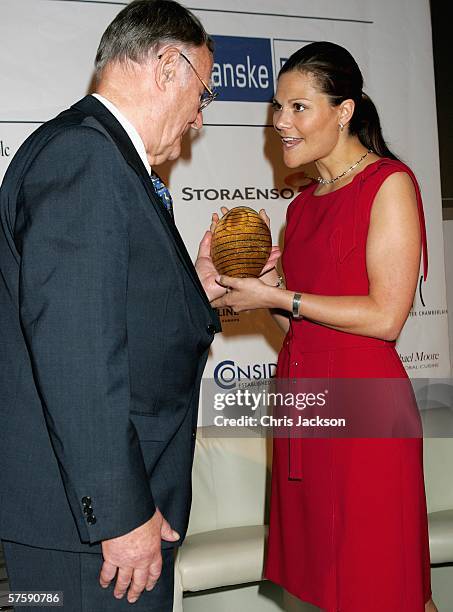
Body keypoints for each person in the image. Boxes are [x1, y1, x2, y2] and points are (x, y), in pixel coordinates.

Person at [0, 1, 231, 610]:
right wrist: (122, 517)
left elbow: (108, 312)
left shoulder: (100, 155)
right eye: (202, 94)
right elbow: (77, 354)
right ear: (166, 65)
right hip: (96, 535)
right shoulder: (87, 156)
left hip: (99, 520)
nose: (197, 120)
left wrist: (196, 288)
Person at [212, 42, 438, 612]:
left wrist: (280, 293)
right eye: (277, 108)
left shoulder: (388, 184)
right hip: (305, 406)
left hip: (364, 410)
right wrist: (254, 288)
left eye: (297, 108)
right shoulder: (302, 206)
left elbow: (386, 317)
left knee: (382, 586)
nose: (279, 123)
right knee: (325, 590)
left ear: (344, 111)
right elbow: (304, 315)